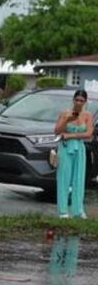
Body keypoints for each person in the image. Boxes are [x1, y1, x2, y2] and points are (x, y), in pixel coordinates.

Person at [53, 89, 91, 219]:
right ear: (73, 100)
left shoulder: (87, 115)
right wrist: (67, 120)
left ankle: (78, 210)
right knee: (64, 178)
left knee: (79, 178)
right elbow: (57, 131)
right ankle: (63, 210)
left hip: (79, 148)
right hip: (65, 147)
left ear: (85, 102)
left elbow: (88, 133)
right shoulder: (65, 113)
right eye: (77, 100)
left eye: (82, 100)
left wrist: (70, 135)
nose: (79, 103)